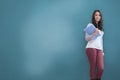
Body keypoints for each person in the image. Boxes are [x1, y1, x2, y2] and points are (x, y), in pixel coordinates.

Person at [85, 10, 104, 80]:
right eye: (96, 15)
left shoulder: (101, 28)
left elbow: (101, 41)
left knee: (101, 68)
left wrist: (102, 51)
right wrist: (94, 34)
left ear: (100, 17)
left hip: (99, 49)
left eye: (99, 15)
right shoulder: (90, 25)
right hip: (91, 48)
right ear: (93, 16)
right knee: (93, 66)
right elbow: (86, 38)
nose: (97, 16)